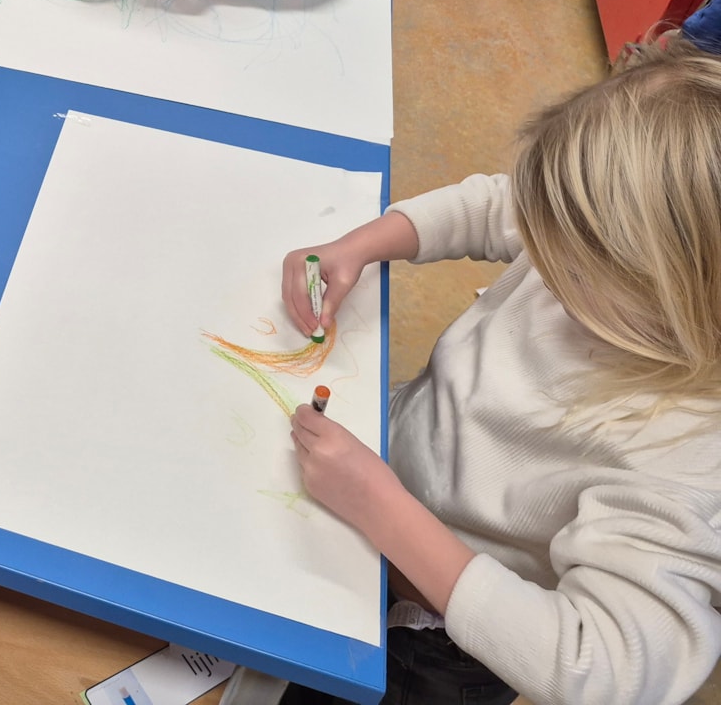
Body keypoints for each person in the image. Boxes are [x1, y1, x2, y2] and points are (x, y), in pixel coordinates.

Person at [280, 47, 721, 705]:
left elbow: (601, 669)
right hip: (376, 465)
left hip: (437, 634)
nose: (538, 251)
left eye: (567, 259)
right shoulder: (593, 230)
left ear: (671, 293)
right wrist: (360, 245)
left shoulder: (686, 460)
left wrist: (381, 507)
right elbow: (495, 205)